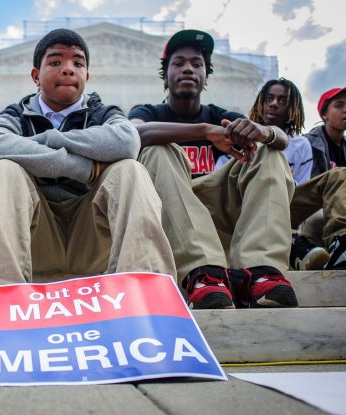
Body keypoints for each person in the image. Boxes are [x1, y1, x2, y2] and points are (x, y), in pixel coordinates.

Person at [0, 28, 176, 287]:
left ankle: (145, 292)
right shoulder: (17, 113)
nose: (68, 69)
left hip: (93, 242)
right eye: (55, 62)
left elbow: (128, 141)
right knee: (2, 170)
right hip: (34, 241)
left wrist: (50, 140)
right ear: (35, 76)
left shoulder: (103, 112)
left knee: (130, 170)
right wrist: (84, 168)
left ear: (86, 76)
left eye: (77, 63)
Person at [128, 29, 297, 309]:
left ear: (206, 75)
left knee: (268, 151)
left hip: (214, 207)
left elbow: (281, 139)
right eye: (179, 63)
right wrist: (205, 131)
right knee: (156, 148)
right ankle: (203, 274)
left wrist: (265, 131)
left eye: (197, 64)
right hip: (168, 208)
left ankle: (260, 273)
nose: (188, 69)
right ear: (165, 74)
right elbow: (133, 134)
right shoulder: (149, 112)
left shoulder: (221, 114)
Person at [288, 87, 346, 270]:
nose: (345, 110)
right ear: (324, 115)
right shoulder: (308, 143)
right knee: (338, 176)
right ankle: (341, 245)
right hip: (307, 210)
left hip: (331, 211)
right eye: (339, 105)